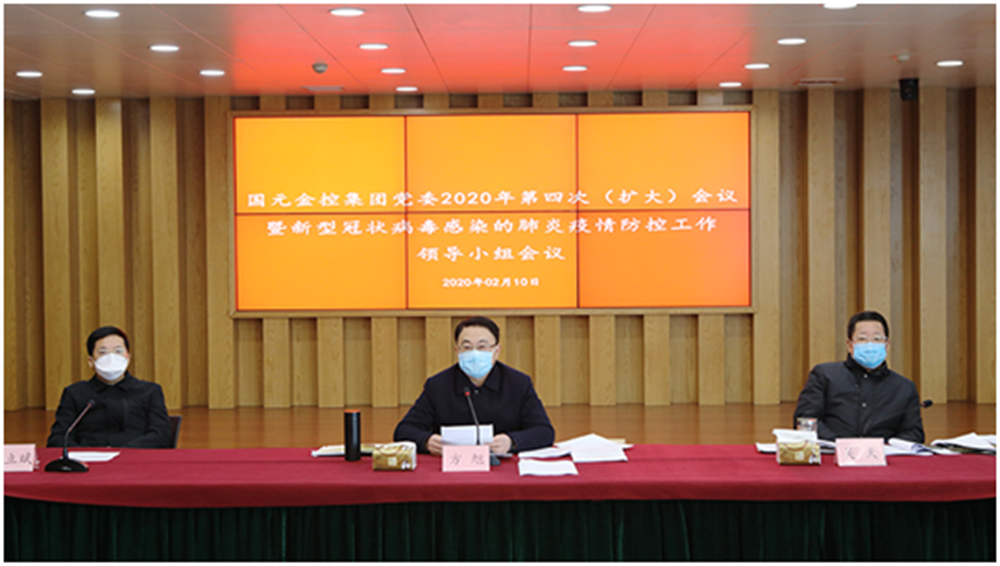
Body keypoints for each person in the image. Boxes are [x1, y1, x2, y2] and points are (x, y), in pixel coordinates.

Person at [394, 316, 555, 455]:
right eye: (467, 347)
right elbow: (404, 431)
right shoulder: (438, 385)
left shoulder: (518, 384)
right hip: (453, 467)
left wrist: (512, 441)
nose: (474, 353)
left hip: (502, 468)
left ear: (496, 351)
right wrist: (426, 441)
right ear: (457, 351)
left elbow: (544, 431)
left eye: (482, 347)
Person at [793, 311, 925, 442]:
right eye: (862, 339)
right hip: (832, 451)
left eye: (877, 339)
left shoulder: (904, 388)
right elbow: (806, 420)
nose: (870, 345)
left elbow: (914, 433)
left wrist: (881, 447)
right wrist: (842, 445)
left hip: (882, 454)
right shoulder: (825, 375)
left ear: (887, 345)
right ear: (850, 345)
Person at [47, 326, 172, 448]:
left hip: (134, 457)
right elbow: (58, 437)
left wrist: (126, 452)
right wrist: (84, 455)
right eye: (103, 352)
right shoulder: (75, 393)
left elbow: (161, 435)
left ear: (128, 358)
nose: (111, 357)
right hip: (87, 458)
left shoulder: (149, 391)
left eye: (118, 351)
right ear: (91, 361)